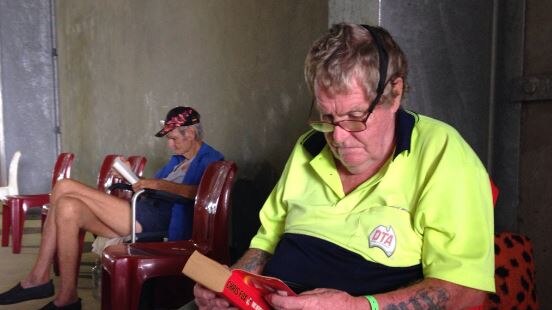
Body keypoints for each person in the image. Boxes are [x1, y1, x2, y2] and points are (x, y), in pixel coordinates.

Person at [194, 23, 494, 309]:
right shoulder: (309, 146)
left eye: (355, 116)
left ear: (395, 93)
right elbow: (266, 243)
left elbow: (465, 291)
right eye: (327, 117)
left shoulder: (441, 153)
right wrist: (230, 286)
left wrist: (361, 306)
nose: (337, 138)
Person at [0, 106, 224, 309]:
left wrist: (154, 183)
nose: (169, 144)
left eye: (174, 138)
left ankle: (38, 278)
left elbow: (198, 193)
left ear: (191, 134)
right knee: (67, 207)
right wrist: (134, 178)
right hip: (142, 210)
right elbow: (153, 190)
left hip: (156, 221)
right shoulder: (177, 161)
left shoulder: (211, 159)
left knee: (64, 186)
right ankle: (67, 297)